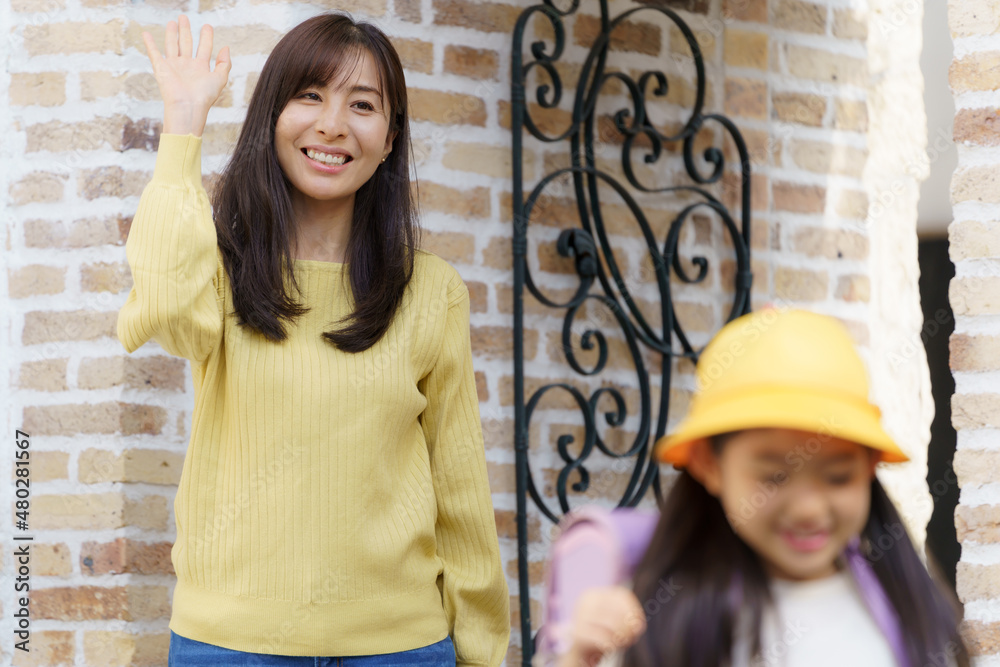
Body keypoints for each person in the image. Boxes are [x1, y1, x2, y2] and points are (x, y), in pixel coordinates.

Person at [117, 12, 509, 666]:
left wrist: (482, 651)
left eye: (362, 104)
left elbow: (461, 492)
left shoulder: (431, 291)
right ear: (272, 117)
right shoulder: (218, 273)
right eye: (310, 95)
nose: (333, 124)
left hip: (401, 648)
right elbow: (160, 305)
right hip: (231, 646)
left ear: (389, 139)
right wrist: (183, 123)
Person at [546, 309, 968, 667]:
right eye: (773, 477)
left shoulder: (909, 606)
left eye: (838, 476)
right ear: (709, 466)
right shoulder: (665, 616)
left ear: (869, 467)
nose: (808, 509)